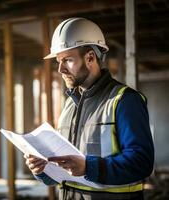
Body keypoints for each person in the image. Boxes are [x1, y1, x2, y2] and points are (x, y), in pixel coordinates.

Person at [24, 18, 154, 200]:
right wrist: (43, 169)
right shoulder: (70, 104)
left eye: (67, 60)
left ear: (90, 57)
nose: (60, 69)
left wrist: (88, 167)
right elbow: (67, 165)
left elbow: (141, 163)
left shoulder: (124, 100)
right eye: (58, 61)